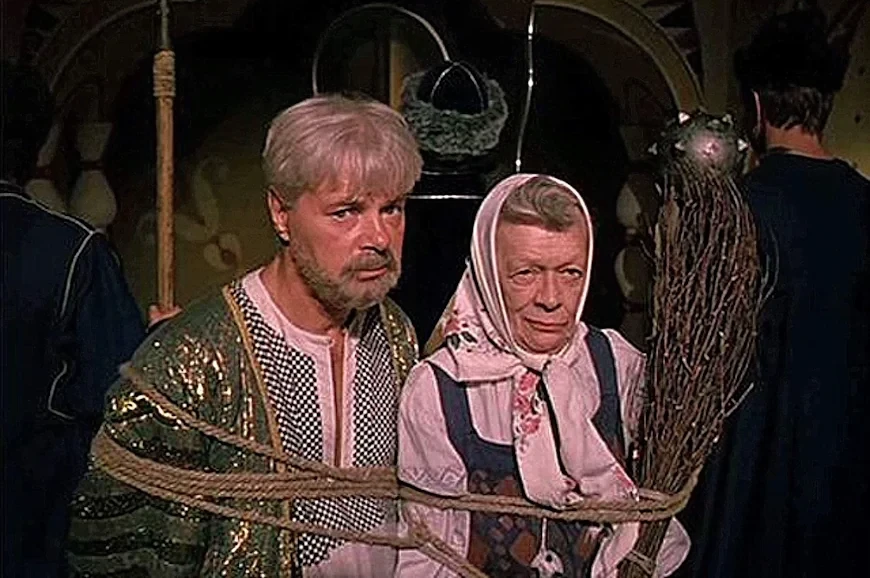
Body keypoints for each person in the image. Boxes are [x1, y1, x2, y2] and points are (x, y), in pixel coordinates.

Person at [67, 94, 423, 577]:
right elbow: (124, 550)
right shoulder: (188, 360)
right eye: (346, 212)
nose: (379, 238)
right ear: (281, 212)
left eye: (392, 209)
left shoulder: (395, 331)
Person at [396, 174, 689, 577]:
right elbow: (429, 555)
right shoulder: (440, 390)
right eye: (526, 274)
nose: (551, 299)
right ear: (487, 274)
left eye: (570, 273)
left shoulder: (614, 364)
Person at [684, 8, 870, 578]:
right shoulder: (865, 206)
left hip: (753, 465)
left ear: (757, 106)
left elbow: (699, 355)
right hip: (851, 468)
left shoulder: (735, 209)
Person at [1, 61, 146, 577]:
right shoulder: (73, 252)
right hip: (31, 534)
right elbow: (122, 399)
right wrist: (166, 351)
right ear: (37, 144)